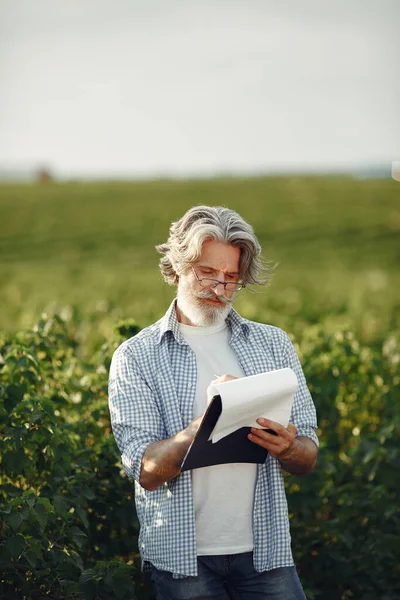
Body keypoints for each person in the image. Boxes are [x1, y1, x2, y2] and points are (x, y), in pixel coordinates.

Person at [108, 205, 319, 600]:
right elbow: (146, 471)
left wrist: (289, 446)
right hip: (182, 559)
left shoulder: (272, 344)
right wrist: (207, 422)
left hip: (266, 554)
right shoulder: (136, 356)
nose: (220, 287)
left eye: (231, 277)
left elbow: (308, 455)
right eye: (208, 272)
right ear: (178, 266)